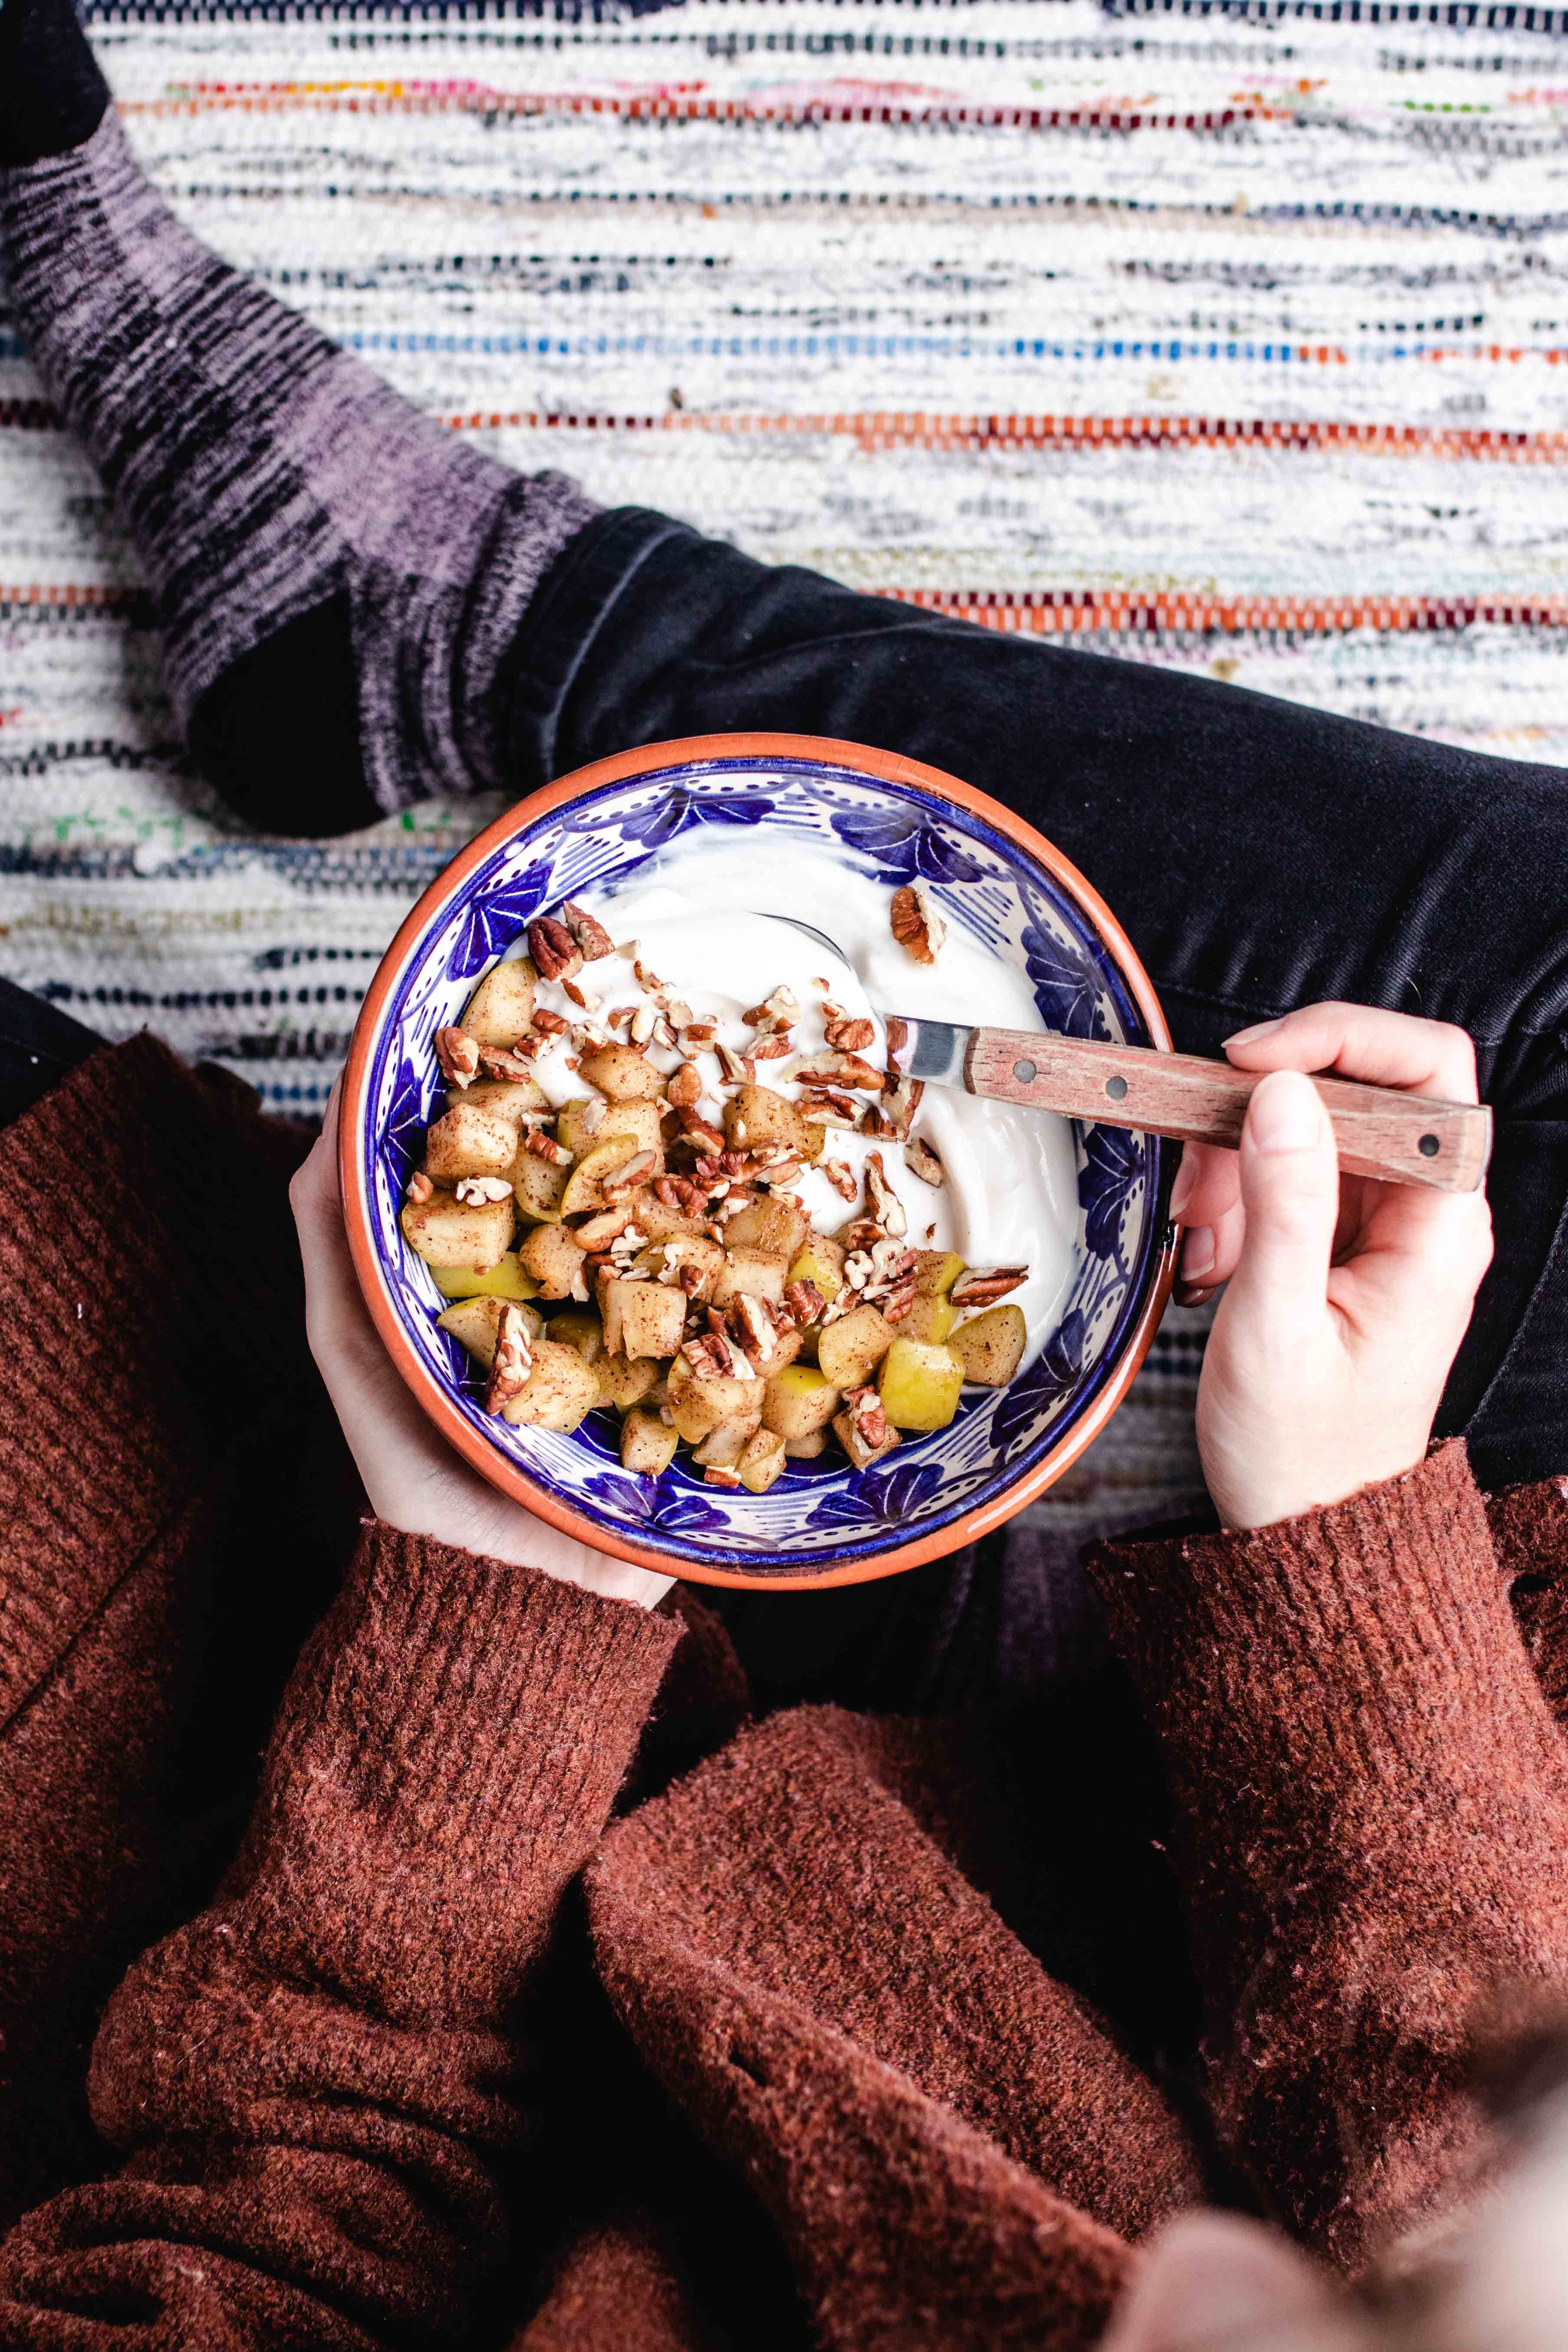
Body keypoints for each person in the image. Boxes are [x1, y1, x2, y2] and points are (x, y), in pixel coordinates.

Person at [7, 7, 1568, 2347]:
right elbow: (1452, 2156)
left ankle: (433, 606)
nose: (1221, 2266)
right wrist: (1348, 1595)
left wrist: (478, 1631)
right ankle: (457, 611)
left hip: (383, 1907)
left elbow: (252, 2256)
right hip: (1166, 1869)